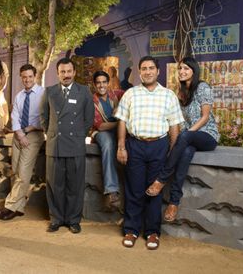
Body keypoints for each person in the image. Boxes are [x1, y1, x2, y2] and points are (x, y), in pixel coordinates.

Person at [115, 56, 184, 250]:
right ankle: (131, 230)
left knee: (154, 191)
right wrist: (121, 146)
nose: (147, 71)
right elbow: (121, 121)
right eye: (143, 68)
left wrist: (172, 150)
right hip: (134, 145)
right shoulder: (131, 94)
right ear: (139, 72)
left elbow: (174, 125)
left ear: (158, 71)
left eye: (151, 68)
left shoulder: (168, 95)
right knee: (134, 190)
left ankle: (153, 233)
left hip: (159, 146)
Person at [146, 57, 219, 222]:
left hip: (207, 135)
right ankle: (174, 202)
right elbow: (176, 121)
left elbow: (205, 117)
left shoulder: (202, 87)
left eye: (186, 68)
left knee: (184, 138)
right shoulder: (179, 92)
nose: (182, 72)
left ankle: (161, 179)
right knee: (185, 154)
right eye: (180, 69)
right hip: (189, 140)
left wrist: (186, 136)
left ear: (194, 71)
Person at [41, 57, 94, 233]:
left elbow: (88, 119)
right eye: (62, 72)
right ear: (57, 73)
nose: (66, 75)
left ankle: (73, 220)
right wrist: (52, 134)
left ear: (74, 72)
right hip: (55, 144)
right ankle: (56, 219)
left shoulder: (84, 91)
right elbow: (44, 118)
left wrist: (79, 136)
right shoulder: (49, 92)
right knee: (54, 185)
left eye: (69, 71)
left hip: (75, 144)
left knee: (75, 185)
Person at [0, 64, 45, 221]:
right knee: (15, 171)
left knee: (23, 173)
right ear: (21, 77)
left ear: (35, 76)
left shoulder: (44, 94)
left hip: (34, 136)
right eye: (24, 77)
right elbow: (15, 116)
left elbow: (46, 118)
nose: (27, 79)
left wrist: (32, 128)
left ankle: (10, 206)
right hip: (18, 135)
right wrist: (20, 133)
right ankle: (19, 207)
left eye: (30, 76)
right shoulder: (19, 95)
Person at [90, 70, 124, 211]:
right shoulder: (92, 101)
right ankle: (111, 191)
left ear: (108, 83)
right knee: (109, 144)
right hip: (100, 132)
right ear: (94, 84)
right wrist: (122, 123)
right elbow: (101, 126)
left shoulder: (118, 94)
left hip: (119, 132)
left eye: (104, 82)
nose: (101, 85)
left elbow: (133, 95)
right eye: (98, 82)